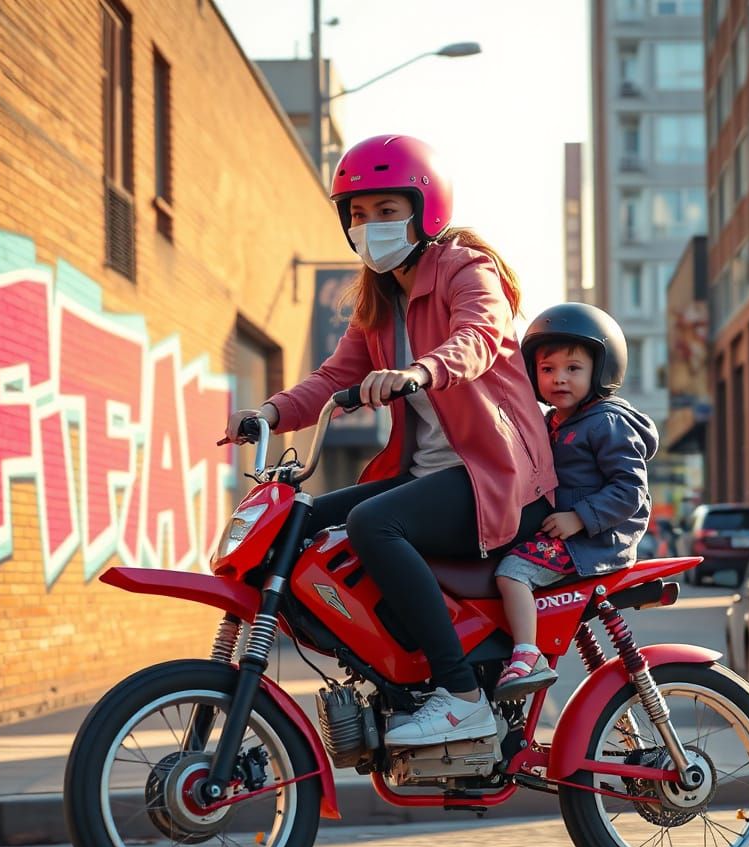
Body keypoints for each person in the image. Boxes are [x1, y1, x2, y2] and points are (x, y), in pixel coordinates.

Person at [223, 134, 557, 745]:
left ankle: (461, 696)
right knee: (295, 525)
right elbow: (333, 377)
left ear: (424, 211)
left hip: (497, 477)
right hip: (429, 477)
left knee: (374, 524)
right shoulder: (379, 299)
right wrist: (268, 413)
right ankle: (395, 675)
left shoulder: (466, 269)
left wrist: (419, 371)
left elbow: (479, 336)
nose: (369, 226)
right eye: (357, 214)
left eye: (386, 211)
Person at [492, 303, 659, 696]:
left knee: (512, 572)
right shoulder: (554, 421)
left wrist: (580, 518)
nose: (559, 379)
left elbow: (630, 490)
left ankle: (525, 655)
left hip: (595, 540)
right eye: (547, 370)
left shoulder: (606, 421)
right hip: (571, 534)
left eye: (573, 369)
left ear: (601, 370)